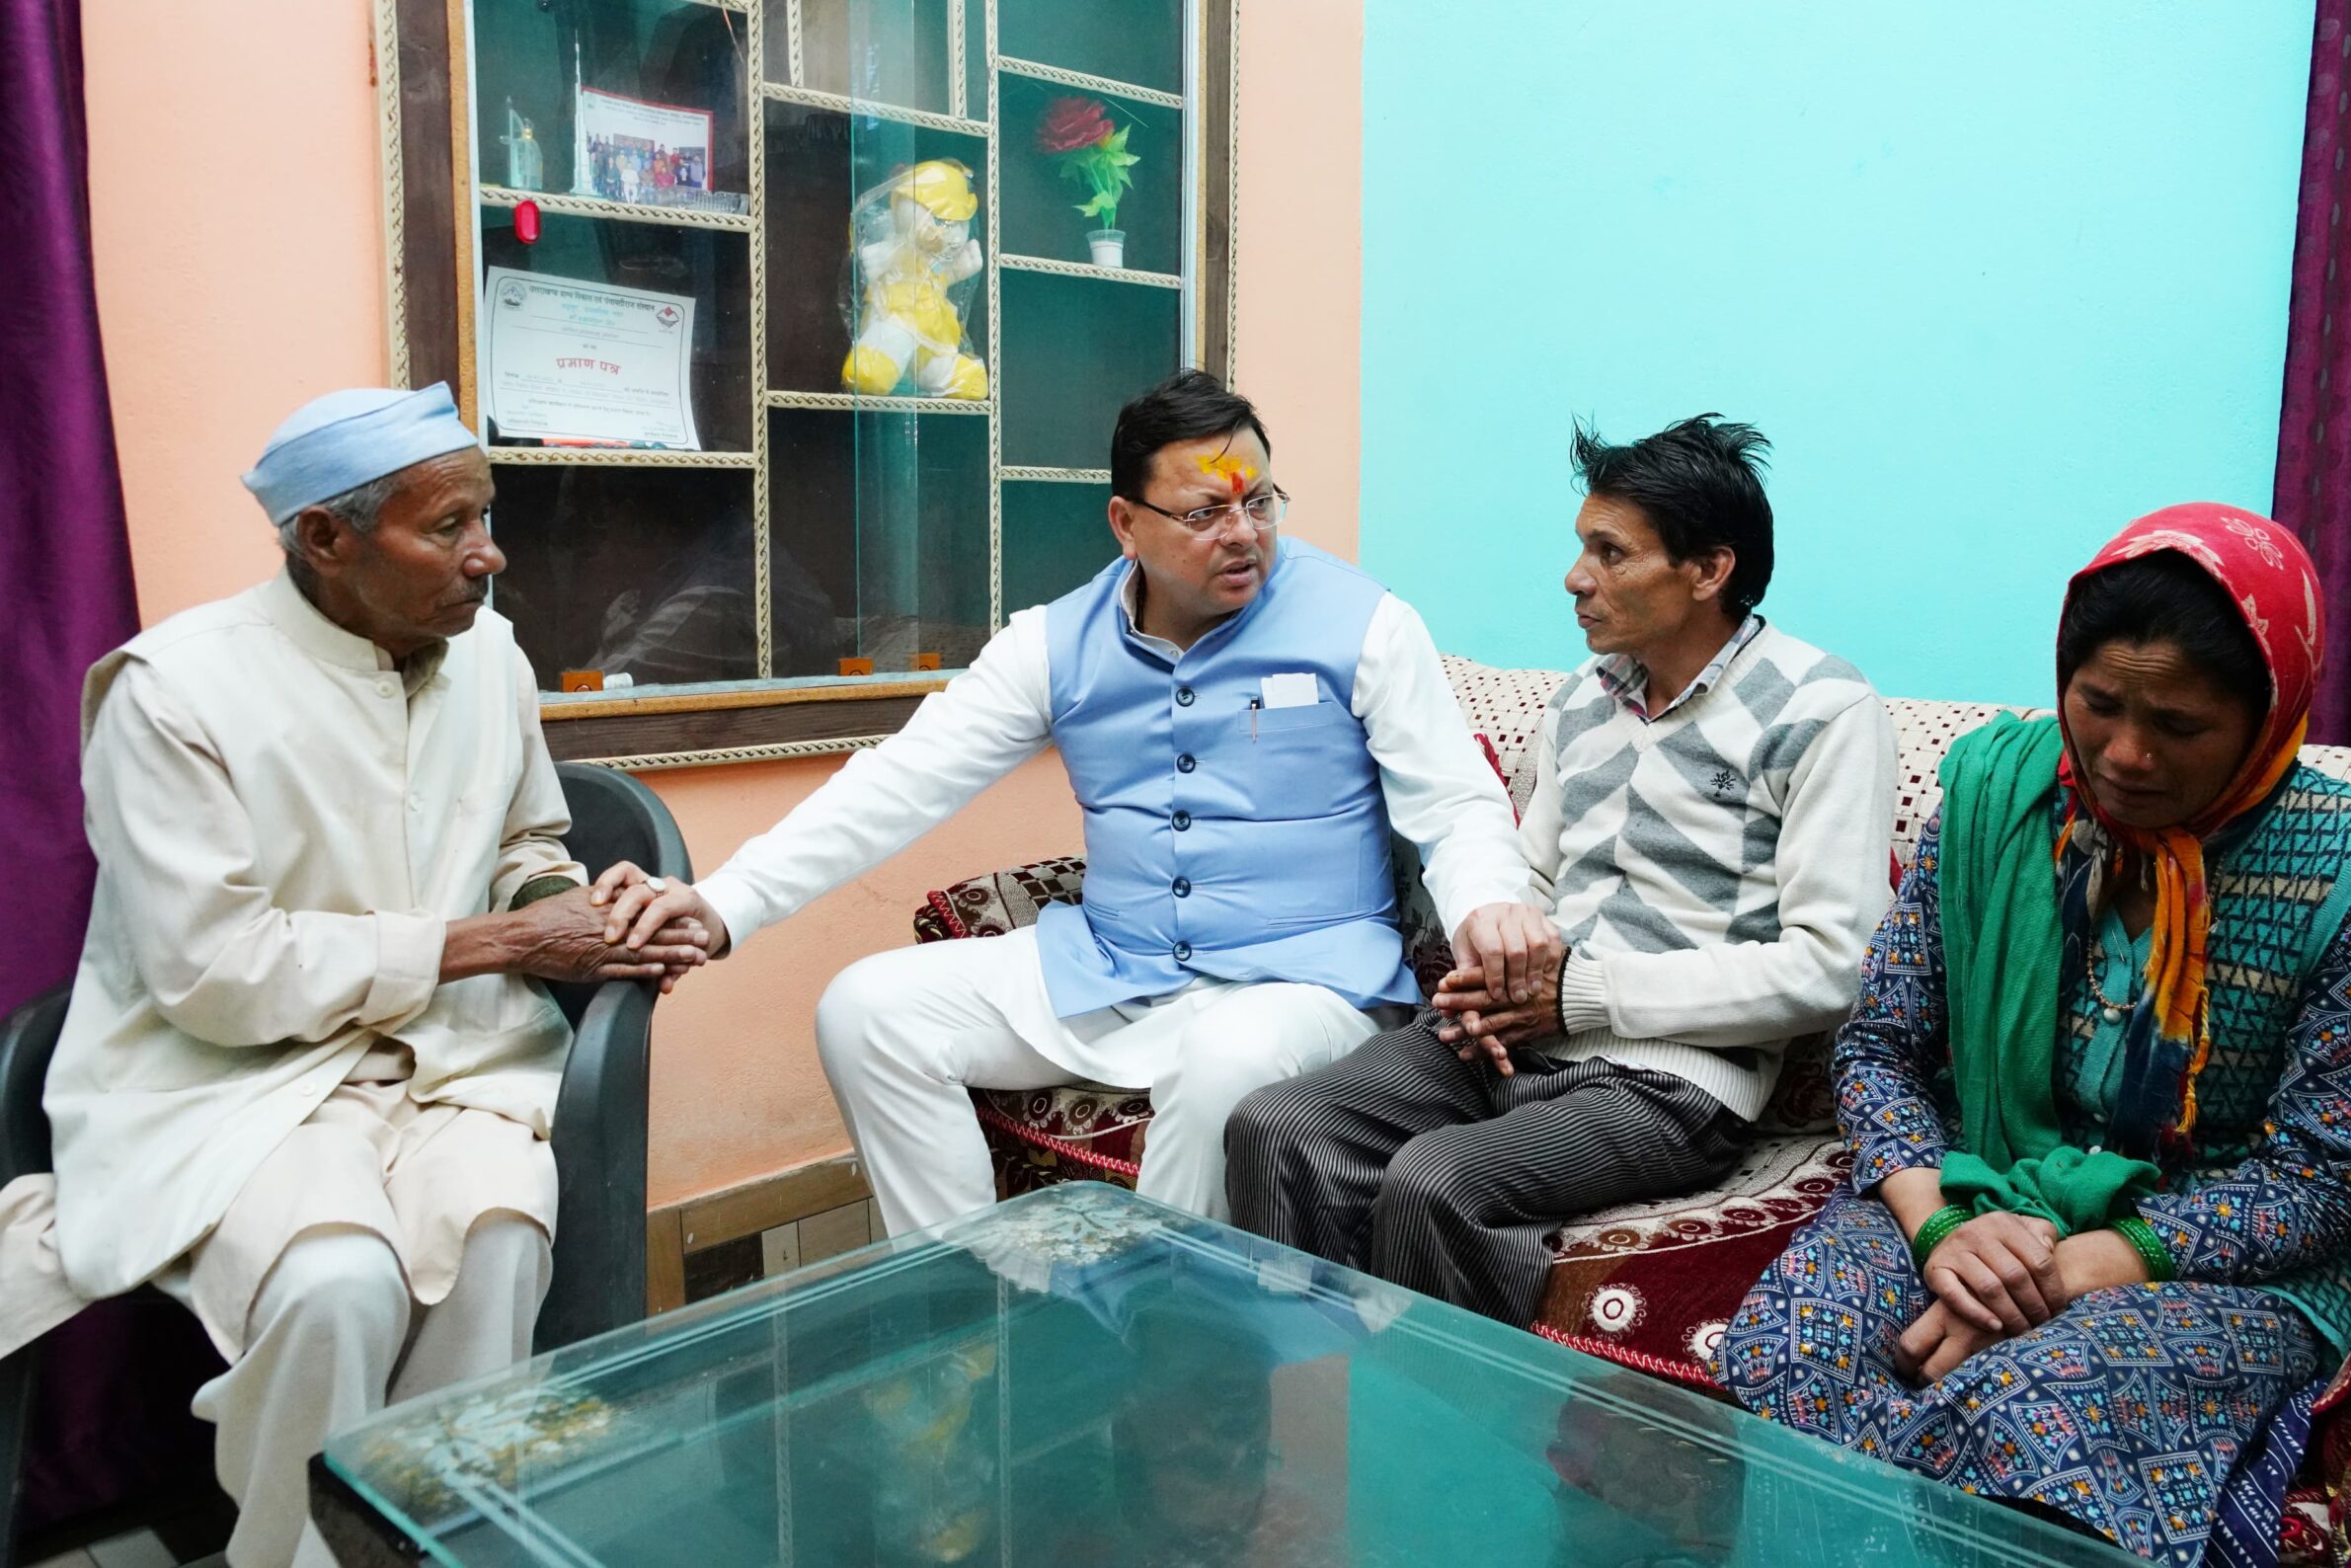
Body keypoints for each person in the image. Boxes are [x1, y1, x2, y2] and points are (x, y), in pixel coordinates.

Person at [0, 384, 708, 1568]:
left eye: (486, 515)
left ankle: (428, 1544)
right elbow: (214, 970)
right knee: (338, 1283)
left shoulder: (489, 655)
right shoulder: (170, 691)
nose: (488, 555)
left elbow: (526, 842)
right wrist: (512, 944)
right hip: (231, 1077)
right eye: (447, 526)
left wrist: (581, 910)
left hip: (455, 1060)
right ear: (326, 538)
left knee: (496, 1246)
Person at [599, 370, 1554, 1234]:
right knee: (866, 1012)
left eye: (1260, 501)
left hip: (1303, 987)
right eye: (1206, 512)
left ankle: (1155, 1336)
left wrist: (1490, 909)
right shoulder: (1056, 644)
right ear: (1125, 524)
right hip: (1112, 968)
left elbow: (1454, 800)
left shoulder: (1365, 623)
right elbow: (900, 779)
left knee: (1225, 1059)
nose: (1244, 534)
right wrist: (725, 903)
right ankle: (976, 1297)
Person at [1722, 505, 2351, 1564]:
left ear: (2269, 715)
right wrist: (1940, 1226)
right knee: (1792, 1345)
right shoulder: (1997, 801)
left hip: (2226, 1262)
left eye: (2181, 726)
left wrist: (2078, 1267)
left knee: (2026, 1405)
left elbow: (2328, 1180)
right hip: (1978, 1189)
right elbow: (1879, 1046)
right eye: (2098, 704)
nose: (2125, 754)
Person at [1224, 416, 1898, 1322]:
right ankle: (1308, 1379)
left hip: (1673, 1079)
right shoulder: (1584, 696)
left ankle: (1428, 1410)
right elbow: (1534, 881)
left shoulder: (1822, 710)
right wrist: (1496, 966)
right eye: (1583, 547)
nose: (1576, 577)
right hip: (1520, 1033)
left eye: (1611, 553)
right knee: (1276, 1127)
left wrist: (1579, 995)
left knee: (1436, 1181)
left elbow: (1834, 966)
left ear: (1709, 570)